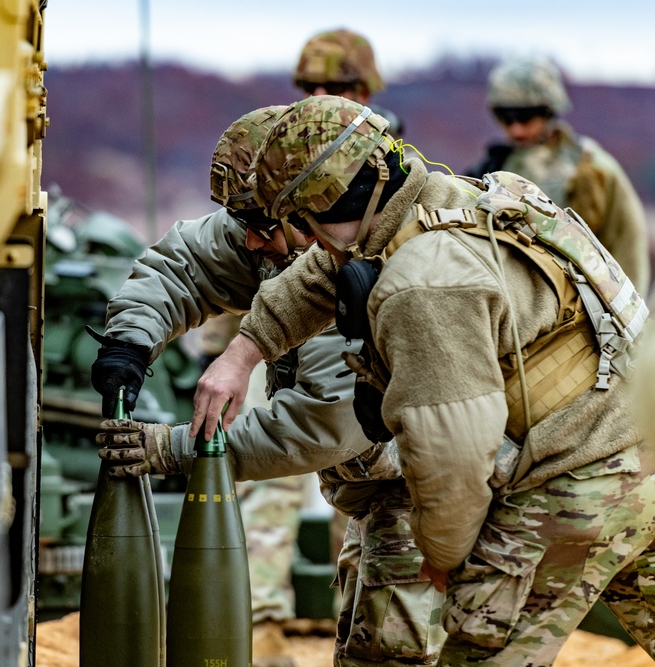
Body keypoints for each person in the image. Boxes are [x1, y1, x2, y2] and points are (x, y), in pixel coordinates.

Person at [191, 93, 654, 666]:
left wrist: (442, 554)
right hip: (636, 438)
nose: (294, 240)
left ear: (311, 212)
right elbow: (326, 269)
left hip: (583, 473)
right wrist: (245, 350)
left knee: (478, 647)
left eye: (293, 223)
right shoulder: (445, 198)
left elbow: (453, 455)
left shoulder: (423, 286)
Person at [91, 106, 446, 667]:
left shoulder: (359, 271)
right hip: (377, 488)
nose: (252, 243)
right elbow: (181, 266)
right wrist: (130, 341)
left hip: (440, 488)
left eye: (263, 227)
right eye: (244, 225)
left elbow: (326, 424)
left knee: (399, 651)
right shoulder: (265, 232)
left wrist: (174, 448)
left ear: (306, 210)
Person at [469, 55, 650, 296]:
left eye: (525, 117)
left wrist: (627, 320)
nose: (515, 128)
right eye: (505, 117)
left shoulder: (591, 167)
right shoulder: (496, 165)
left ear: (549, 112)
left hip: (580, 306)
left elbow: (629, 246)